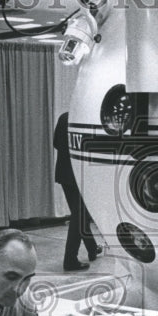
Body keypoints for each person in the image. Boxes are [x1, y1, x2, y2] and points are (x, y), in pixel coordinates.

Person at [54, 112, 102, 271]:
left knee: (79, 215)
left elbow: (56, 143)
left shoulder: (63, 117)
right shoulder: (89, 118)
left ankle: (92, 248)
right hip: (81, 175)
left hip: (63, 172)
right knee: (79, 216)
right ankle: (70, 259)